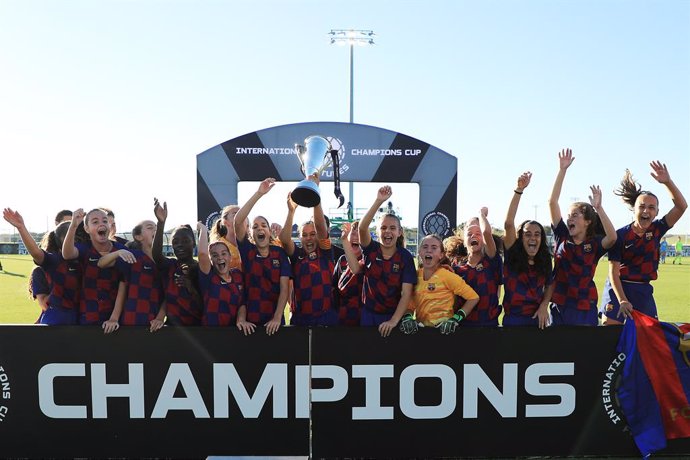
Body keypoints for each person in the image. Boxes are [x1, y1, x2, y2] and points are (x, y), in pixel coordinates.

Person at [600, 163, 686, 325]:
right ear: (634, 209)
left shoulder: (658, 229)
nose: (646, 211)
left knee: (648, 336)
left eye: (651, 207)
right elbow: (613, 272)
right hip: (618, 288)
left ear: (657, 212)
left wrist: (667, 182)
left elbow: (681, 207)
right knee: (610, 332)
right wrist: (622, 300)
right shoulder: (621, 235)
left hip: (643, 291)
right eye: (642, 207)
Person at [548, 148, 617, 326]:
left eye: (575, 215)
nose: (569, 218)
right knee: (559, 353)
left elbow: (612, 237)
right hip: (560, 304)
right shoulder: (562, 235)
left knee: (584, 352)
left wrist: (599, 208)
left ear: (587, 222)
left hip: (585, 306)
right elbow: (552, 202)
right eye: (569, 215)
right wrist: (562, 170)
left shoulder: (594, 244)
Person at [355, 185, 416, 337]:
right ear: (377, 232)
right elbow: (362, 228)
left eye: (392, 228)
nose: (387, 231)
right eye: (383, 228)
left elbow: (406, 293)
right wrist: (378, 201)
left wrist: (394, 321)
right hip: (368, 316)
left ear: (400, 232)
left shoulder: (406, 257)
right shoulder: (371, 249)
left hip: (393, 317)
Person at [3, 209, 82, 325]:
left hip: (83, 321)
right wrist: (21, 227)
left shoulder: (86, 257)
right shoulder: (53, 262)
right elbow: (36, 253)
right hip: (57, 321)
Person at [233, 178, 291, 335]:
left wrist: (278, 318)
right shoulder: (248, 251)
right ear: (251, 234)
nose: (260, 229)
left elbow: (284, 289)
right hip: (249, 324)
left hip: (274, 323)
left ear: (269, 231)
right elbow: (237, 222)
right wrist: (259, 194)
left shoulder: (279, 253)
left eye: (264, 225)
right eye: (255, 226)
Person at [501, 172, 554, 329]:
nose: (533, 238)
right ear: (520, 238)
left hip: (537, 319)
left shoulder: (544, 259)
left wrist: (544, 305)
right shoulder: (512, 255)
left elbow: (550, 284)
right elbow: (509, 223)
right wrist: (519, 190)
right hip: (513, 320)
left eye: (537, 234)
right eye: (528, 234)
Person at [279, 186, 337, 326]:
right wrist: (291, 211)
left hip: (326, 317)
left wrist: (314, 196)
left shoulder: (325, 251)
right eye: (304, 235)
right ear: (299, 237)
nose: (309, 238)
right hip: (301, 319)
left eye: (312, 234)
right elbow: (285, 239)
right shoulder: (297, 254)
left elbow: (321, 228)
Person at [62, 208, 128, 331]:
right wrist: (73, 226)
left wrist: (114, 318)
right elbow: (67, 254)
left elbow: (123, 284)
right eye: (95, 222)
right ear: (87, 229)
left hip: (115, 319)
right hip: (88, 316)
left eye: (105, 221)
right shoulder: (85, 249)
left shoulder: (120, 249)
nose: (101, 224)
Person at [400, 234, 479, 335]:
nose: (429, 250)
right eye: (425, 247)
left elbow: (473, 297)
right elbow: (409, 306)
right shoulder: (414, 276)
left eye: (434, 247)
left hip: (445, 334)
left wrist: (455, 319)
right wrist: (408, 318)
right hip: (422, 334)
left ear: (441, 254)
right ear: (419, 252)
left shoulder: (447, 276)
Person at [97, 219, 166, 332]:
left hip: (154, 325)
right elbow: (101, 263)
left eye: (157, 228)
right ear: (138, 236)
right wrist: (114, 318)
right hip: (130, 321)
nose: (155, 230)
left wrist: (160, 318)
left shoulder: (165, 263)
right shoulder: (133, 257)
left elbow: (167, 295)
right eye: (150, 227)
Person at [152, 198, 203, 326]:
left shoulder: (202, 268)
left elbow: (206, 303)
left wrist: (190, 287)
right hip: (172, 328)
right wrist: (161, 223)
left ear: (194, 244)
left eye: (185, 241)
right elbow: (157, 255)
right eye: (175, 242)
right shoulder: (171, 266)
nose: (180, 245)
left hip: (197, 329)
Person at [451, 208, 503, 327]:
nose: (473, 235)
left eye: (478, 232)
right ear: (464, 241)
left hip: (488, 327)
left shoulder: (492, 260)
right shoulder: (456, 266)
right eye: (469, 233)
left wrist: (482, 214)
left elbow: (487, 233)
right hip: (463, 327)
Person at [197, 222, 245, 327]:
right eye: (215, 255)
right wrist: (203, 230)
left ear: (230, 257)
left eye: (223, 253)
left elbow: (242, 303)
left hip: (233, 333)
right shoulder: (208, 277)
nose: (220, 258)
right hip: (211, 333)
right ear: (211, 260)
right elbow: (202, 254)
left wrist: (241, 320)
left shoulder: (238, 275)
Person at [333, 221, 364, 326]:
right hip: (342, 317)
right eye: (353, 233)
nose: (356, 237)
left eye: (360, 234)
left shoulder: (369, 260)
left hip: (363, 319)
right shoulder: (342, 260)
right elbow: (334, 288)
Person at [209, 204, 243, 270]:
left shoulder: (251, 242)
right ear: (225, 222)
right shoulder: (217, 245)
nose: (241, 217)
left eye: (242, 214)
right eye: (235, 215)